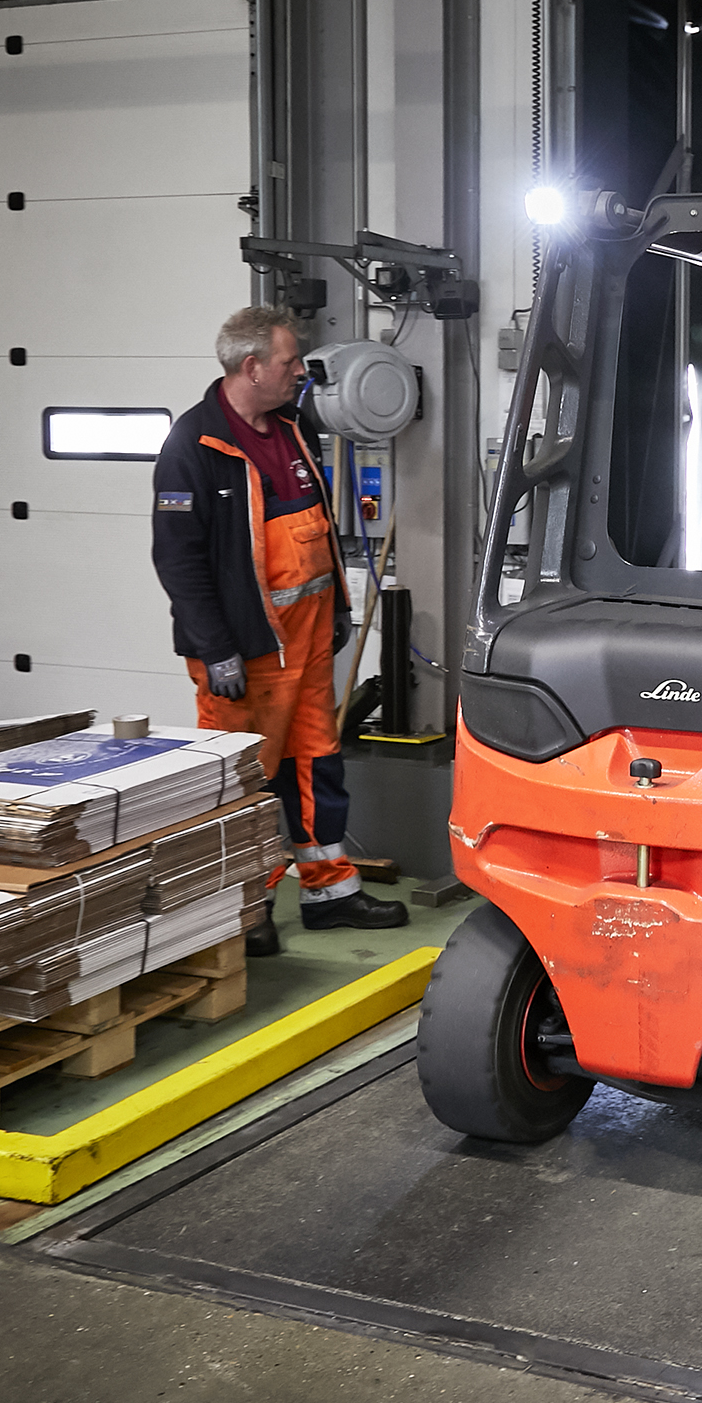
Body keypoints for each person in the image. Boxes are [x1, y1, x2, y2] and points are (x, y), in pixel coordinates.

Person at [152, 307, 408, 951]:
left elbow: (315, 529)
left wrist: (341, 611)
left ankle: (329, 890)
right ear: (252, 367)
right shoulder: (195, 445)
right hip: (246, 653)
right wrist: (215, 649)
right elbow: (178, 560)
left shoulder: (292, 426)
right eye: (291, 361)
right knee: (246, 781)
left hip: (309, 641)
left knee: (316, 765)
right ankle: (246, 906)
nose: (301, 371)